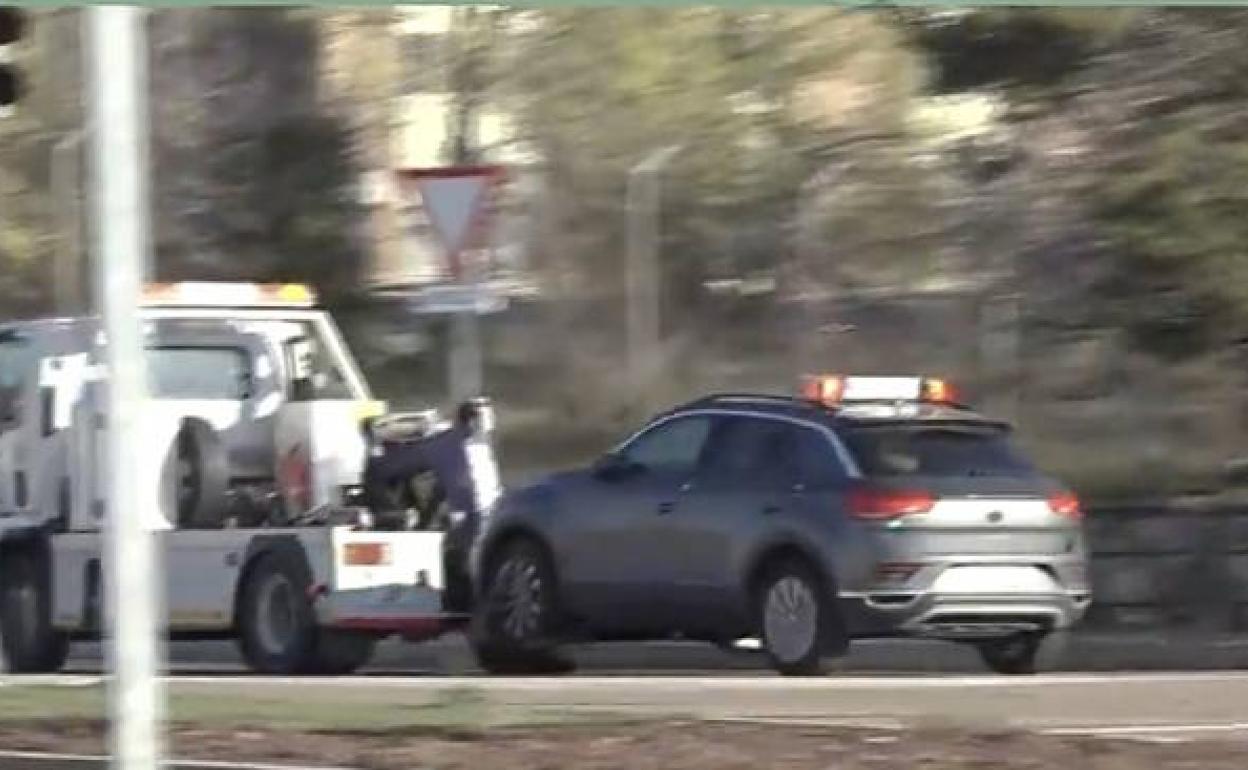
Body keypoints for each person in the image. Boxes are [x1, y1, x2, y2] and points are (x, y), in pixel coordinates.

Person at [361, 397, 500, 611]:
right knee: (472, 565)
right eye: (487, 418)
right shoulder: (456, 444)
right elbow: (440, 481)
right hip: (476, 518)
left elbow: (446, 486)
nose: (492, 424)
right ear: (473, 421)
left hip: (485, 516)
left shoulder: (472, 443)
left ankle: (472, 604)